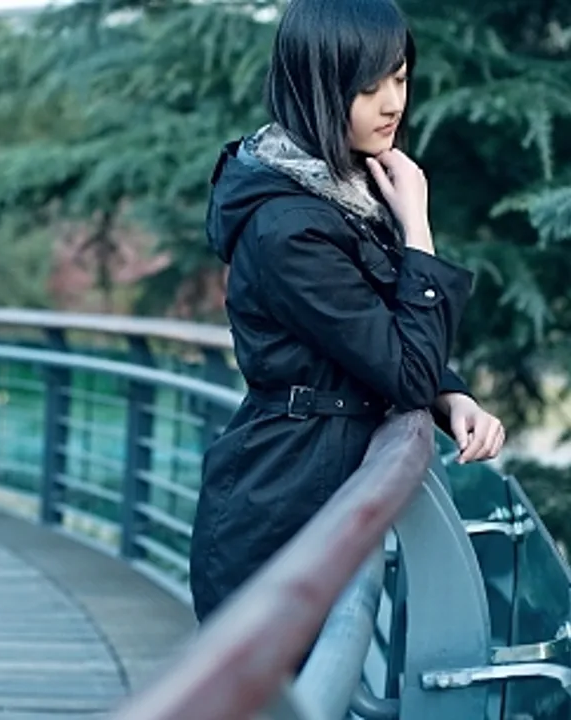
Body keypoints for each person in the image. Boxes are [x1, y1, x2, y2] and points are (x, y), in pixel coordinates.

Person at [188, 0, 506, 625]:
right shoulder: (291, 227)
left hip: (314, 491)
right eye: (369, 88)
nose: (393, 104)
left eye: (401, 79)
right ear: (317, 88)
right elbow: (401, 369)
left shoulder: (345, 193)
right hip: (277, 511)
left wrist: (450, 394)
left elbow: (372, 331)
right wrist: (418, 228)